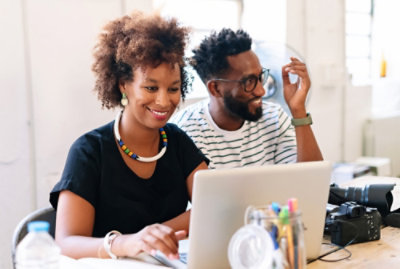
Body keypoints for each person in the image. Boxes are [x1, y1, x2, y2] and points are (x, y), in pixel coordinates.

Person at [49, 11, 208, 260]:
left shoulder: (176, 141)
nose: (164, 101)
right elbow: (67, 243)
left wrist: (155, 235)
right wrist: (126, 243)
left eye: (174, 88)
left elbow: (211, 208)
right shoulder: (89, 151)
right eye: (151, 87)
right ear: (124, 84)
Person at [172, 28, 323, 169]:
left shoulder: (274, 117)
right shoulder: (185, 132)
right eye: (249, 82)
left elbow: (312, 179)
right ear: (215, 88)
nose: (261, 91)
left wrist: (298, 111)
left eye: (260, 77)